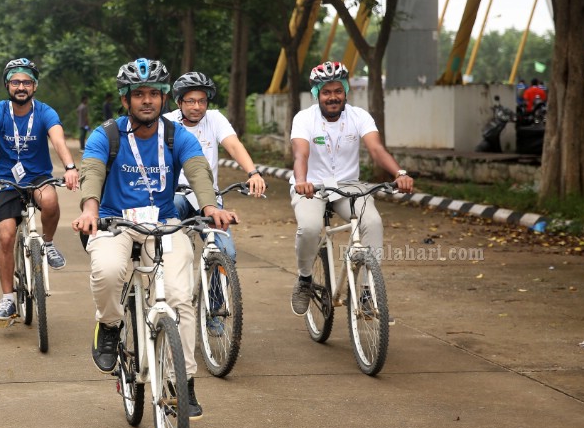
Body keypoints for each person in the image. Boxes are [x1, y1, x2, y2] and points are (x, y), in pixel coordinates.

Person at [72, 58, 236, 419]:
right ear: (125, 99)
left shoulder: (178, 136)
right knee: (109, 270)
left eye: (154, 94)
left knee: (180, 299)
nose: (147, 100)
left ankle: (186, 381)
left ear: (164, 99)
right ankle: (111, 325)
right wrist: (88, 209)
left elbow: (198, 170)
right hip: (114, 223)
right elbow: (92, 171)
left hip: (165, 225)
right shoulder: (107, 134)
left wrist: (210, 206)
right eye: (138, 94)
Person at [289, 61, 414, 316]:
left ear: (346, 91)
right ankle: (304, 280)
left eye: (337, 91)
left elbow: (376, 149)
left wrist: (399, 173)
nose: (332, 97)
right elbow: (300, 154)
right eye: (326, 92)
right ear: (317, 95)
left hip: (349, 186)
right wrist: (301, 180)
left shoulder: (359, 116)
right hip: (311, 186)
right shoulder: (304, 118)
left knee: (373, 223)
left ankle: (368, 294)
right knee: (310, 228)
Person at [0, 57, 80, 324]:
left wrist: (70, 166)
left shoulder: (46, 112)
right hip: (4, 180)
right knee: (6, 235)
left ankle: (47, 242)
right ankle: (8, 298)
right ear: (7, 85)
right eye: (15, 82)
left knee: (50, 201)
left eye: (26, 82)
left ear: (34, 86)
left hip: (37, 177)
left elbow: (58, 140)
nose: (20, 86)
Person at [165, 71, 266, 261]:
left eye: (202, 101)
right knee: (165, 246)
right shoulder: (167, 122)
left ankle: (217, 291)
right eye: (191, 101)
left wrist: (253, 173)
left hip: (209, 197)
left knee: (227, 253)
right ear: (179, 102)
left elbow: (234, 146)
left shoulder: (215, 119)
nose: (197, 107)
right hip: (176, 194)